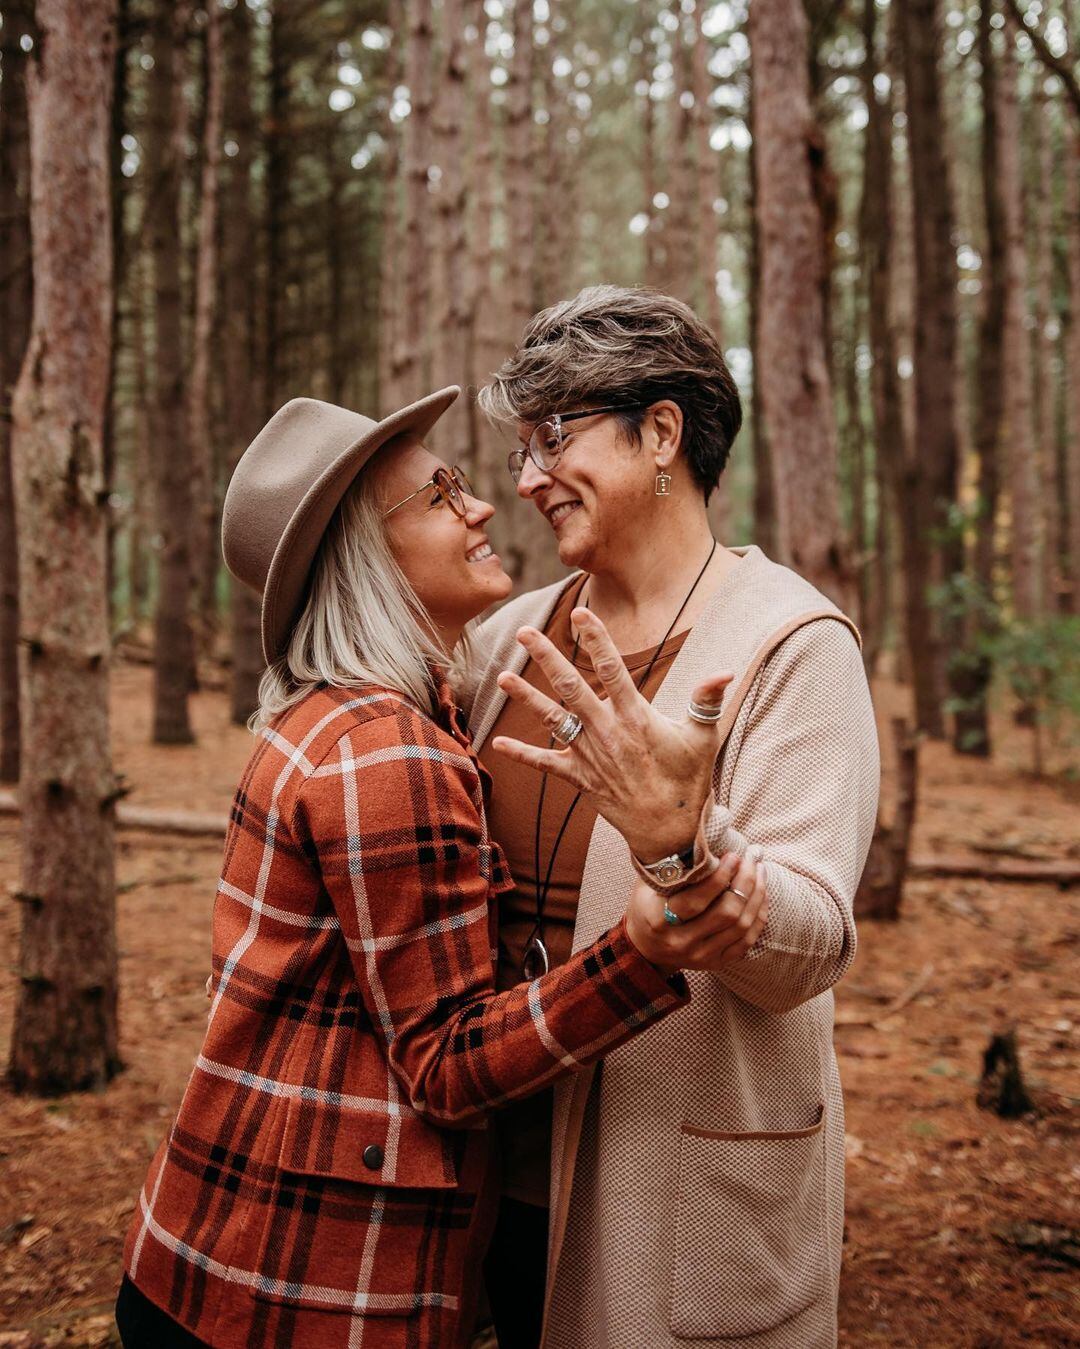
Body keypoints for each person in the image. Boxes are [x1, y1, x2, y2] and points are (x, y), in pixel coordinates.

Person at [115, 387, 767, 1349]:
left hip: (211, 1245)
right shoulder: (390, 752)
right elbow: (448, 1066)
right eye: (441, 495)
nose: (482, 507)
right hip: (297, 1288)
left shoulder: (329, 716)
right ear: (370, 561)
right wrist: (640, 948)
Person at [467, 286, 881, 1348]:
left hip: (676, 1194)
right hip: (489, 1189)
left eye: (553, 437)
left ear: (662, 432)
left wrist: (682, 845)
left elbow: (808, 947)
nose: (525, 480)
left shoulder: (793, 643)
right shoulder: (509, 638)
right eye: (518, 449)